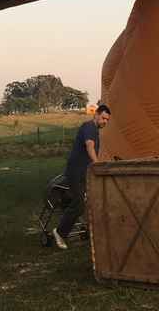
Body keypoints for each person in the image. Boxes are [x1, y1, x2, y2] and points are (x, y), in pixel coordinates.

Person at [52, 104, 111, 250]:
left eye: (107, 120)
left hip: (83, 172)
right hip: (75, 172)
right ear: (96, 114)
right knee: (78, 204)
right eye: (103, 118)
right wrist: (96, 164)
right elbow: (89, 146)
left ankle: (88, 229)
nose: (105, 122)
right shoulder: (89, 127)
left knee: (85, 202)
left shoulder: (95, 130)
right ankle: (59, 232)